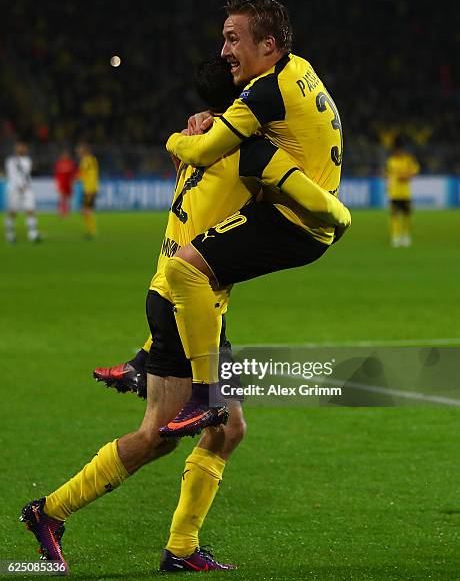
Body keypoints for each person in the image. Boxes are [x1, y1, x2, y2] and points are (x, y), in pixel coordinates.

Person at [21, 56, 350, 574]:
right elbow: (289, 196)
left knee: (227, 426)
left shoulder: (206, 138)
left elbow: (205, 150)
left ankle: (180, 546)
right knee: (158, 435)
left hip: (186, 296)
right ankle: (50, 512)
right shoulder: (244, 149)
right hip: (185, 299)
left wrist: (190, 129)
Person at [162, 0, 347, 436]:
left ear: (268, 45)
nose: (224, 51)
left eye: (233, 39)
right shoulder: (298, 69)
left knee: (186, 268)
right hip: (305, 215)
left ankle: (205, 394)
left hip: (292, 221)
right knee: (207, 271)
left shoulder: (265, 92)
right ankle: (160, 357)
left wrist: (174, 141)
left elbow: (205, 150)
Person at [385, 135, 420, 247]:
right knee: (394, 215)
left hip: (405, 193)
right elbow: (388, 176)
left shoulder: (408, 159)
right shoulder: (391, 161)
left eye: (400, 149)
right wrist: (388, 188)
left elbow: (416, 169)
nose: (399, 151)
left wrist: (407, 175)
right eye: (397, 150)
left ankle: (405, 236)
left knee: (406, 215)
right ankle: (395, 236)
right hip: (394, 193)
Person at [4, 141, 40, 243]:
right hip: (14, 189)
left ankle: (32, 234)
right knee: (12, 212)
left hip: (27, 188)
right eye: (20, 147)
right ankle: (10, 235)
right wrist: (20, 186)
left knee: (30, 210)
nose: (22, 149)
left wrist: (25, 186)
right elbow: (13, 174)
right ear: (16, 148)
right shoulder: (10, 160)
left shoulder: (28, 160)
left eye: (24, 147)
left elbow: (26, 174)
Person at [76, 142, 99, 238]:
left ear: (84, 151)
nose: (78, 153)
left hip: (89, 188)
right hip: (93, 187)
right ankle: (90, 230)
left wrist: (74, 179)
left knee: (86, 210)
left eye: (79, 151)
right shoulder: (94, 159)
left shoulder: (85, 161)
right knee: (86, 210)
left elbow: (81, 174)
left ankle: (91, 231)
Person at [54, 148, 77, 217]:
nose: (65, 156)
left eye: (66, 155)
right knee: (62, 198)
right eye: (64, 155)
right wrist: (57, 183)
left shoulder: (71, 163)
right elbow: (56, 174)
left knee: (68, 199)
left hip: (69, 184)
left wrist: (73, 182)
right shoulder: (59, 163)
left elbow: (74, 174)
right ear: (62, 155)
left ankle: (67, 212)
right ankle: (61, 212)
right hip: (62, 183)